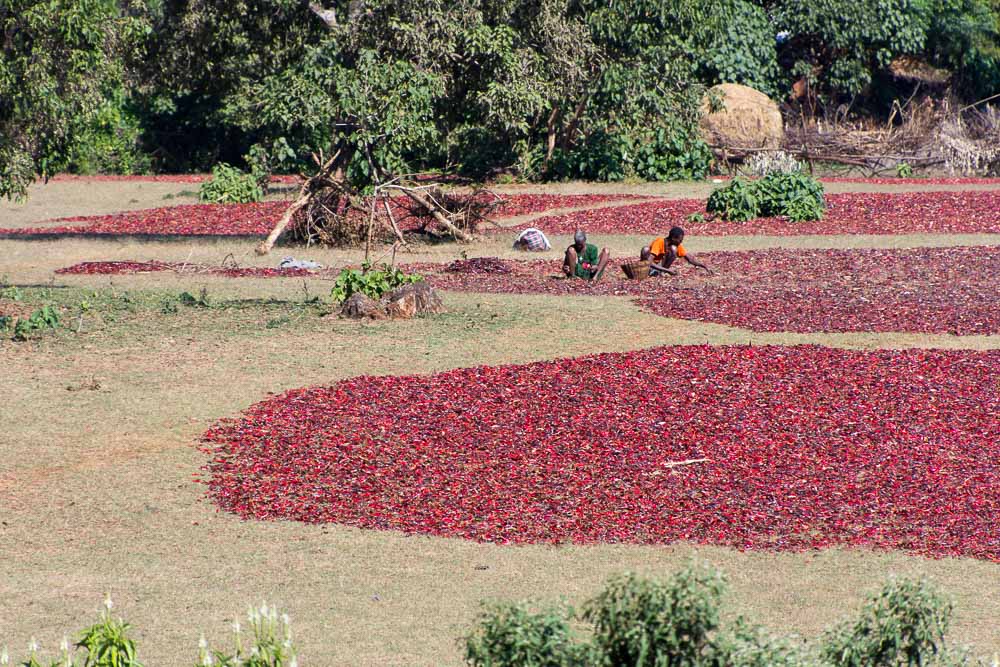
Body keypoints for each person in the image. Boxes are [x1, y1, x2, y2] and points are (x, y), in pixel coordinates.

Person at [640, 227, 711, 276]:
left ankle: (661, 273)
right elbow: (649, 262)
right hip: (649, 267)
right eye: (680, 240)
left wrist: (704, 266)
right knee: (645, 249)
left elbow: (690, 259)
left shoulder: (676, 245)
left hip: (660, 267)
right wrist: (668, 271)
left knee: (674, 249)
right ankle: (644, 272)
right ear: (673, 238)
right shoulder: (659, 242)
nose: (681, 242)